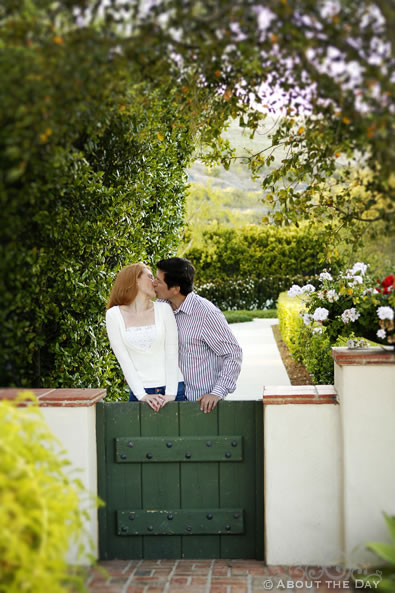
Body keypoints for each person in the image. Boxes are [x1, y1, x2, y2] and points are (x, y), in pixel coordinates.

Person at [153, 257, 242, 413]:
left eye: (158, 281)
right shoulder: (160, 308)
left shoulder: (206, 313)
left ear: (175, 289)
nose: (154, 283)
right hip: (168, 400)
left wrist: (217, 392)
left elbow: (233, 353)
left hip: (200, 404)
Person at [106, 263, 185, 411]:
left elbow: (172, 353)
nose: (154, 282)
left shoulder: (164, 309)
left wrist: (170, 394)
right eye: (150, 277)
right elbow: (124, 360)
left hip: (174, 390)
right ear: (134, 280)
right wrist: (142, 395)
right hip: (140, 393)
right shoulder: (113, 315)